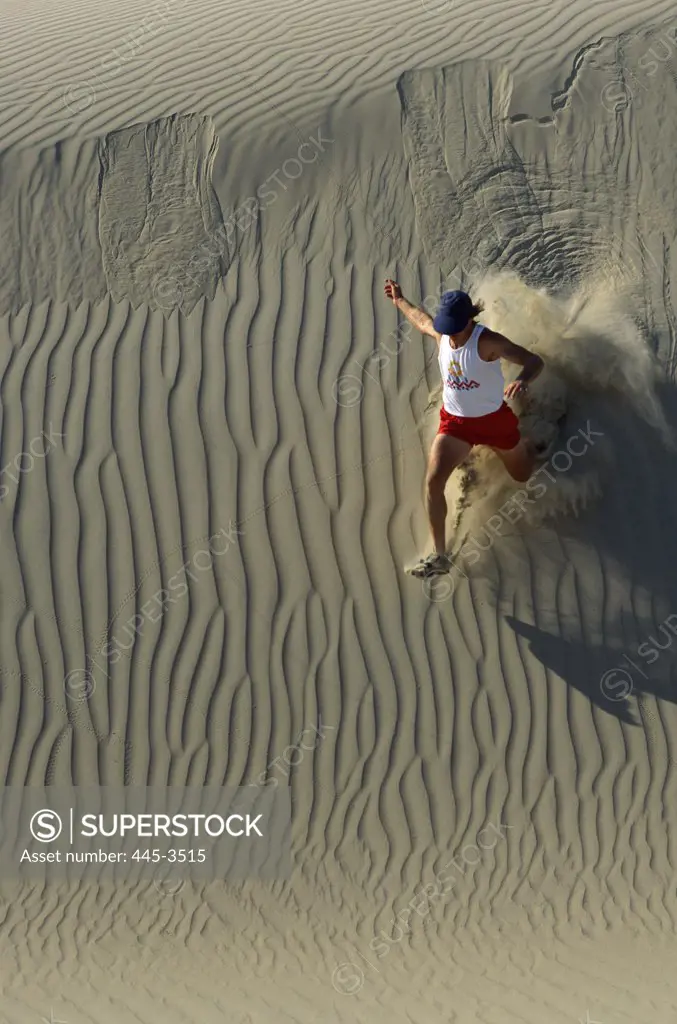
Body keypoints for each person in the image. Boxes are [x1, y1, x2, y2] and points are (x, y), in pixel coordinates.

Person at [384, 281, 544, 578]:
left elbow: (534, 361)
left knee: (523, 475)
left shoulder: (489, 342)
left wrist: (522, 379)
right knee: (433, 481)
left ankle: (533, 442)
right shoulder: (443, 335)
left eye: (455, 327)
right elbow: (421, 321)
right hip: (455, 425)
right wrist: (400, 300)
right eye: (446, 327)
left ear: (470, 320)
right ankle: (440, 555)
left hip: (494, 423)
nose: (450, 334)